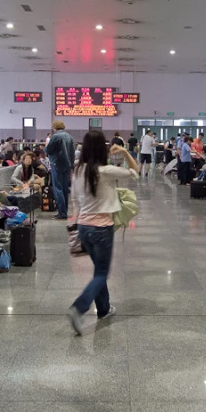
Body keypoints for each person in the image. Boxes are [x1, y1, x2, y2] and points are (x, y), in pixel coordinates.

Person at [67, 132, 139, 335]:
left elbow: (75, 200)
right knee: (101, 273)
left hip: (83, 227)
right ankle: (79, 308)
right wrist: (125, 151)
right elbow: (135, 171)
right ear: (102, 149)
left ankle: (104, 309)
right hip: (101, 228)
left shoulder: (78, 170)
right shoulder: (106, 171)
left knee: (99, 269)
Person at [46, 120, 76, 220]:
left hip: (56, 164)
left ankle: (61, 213)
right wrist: (71, 166)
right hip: (67, 165)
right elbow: (72, 153)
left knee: (57, 189)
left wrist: (45, 148)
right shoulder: (69, 137)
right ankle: (64, 212)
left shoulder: (55, 137)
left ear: (54, 127)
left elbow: (48, 150)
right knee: (64, 189)